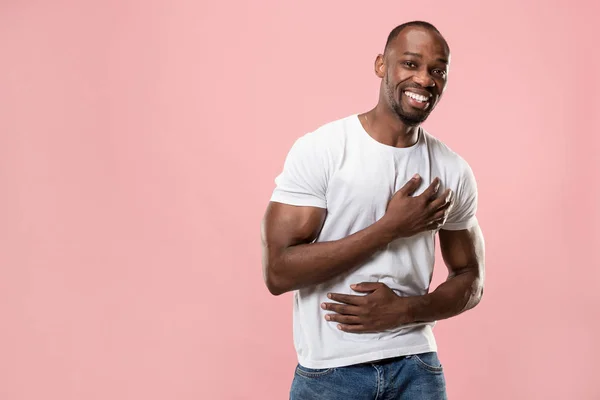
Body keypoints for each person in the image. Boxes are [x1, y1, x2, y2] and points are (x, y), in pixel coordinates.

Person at [261, 21, 485, 400]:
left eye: (438, 70)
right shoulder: (324, 149)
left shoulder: (452, 169)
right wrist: (389, 228)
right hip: (330, 373)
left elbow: (471, 280)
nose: (425, 80)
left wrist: (404, 312)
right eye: (410, 64)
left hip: (417, 367)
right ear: (382, 65)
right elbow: (278, 273)